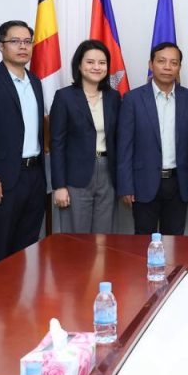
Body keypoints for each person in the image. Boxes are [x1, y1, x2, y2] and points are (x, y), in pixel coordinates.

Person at [0, 20, 45, 268]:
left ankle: (22, 293)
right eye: (15, 41)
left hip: (34, 174)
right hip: (2, 178)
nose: (22, 47)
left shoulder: (35, 81)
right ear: (1, 46)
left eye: (27, 42)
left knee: (27, 247)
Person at [117, 42, 188, 235]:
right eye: (161, 61)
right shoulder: (133, 99)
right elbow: (124, 146)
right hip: (143, 182)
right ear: (150, 64)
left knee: (175, 241)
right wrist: (126, 185)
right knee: (143, 241)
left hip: (178, 183)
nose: (167, 67)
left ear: (179, 67)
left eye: (174, 63)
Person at [50, 40, 121, 233]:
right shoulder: (64, 97)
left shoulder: (114, 97)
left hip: (108, 173)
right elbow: (57, 144)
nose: (97, 67)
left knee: (104, 236)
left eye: (102, 62)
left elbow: (118, 139)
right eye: (90, 62)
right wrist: (59, 186)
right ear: (79, 66)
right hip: (75, 175)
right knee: (76, 237)